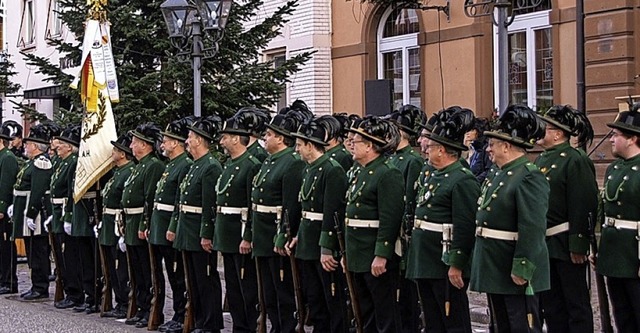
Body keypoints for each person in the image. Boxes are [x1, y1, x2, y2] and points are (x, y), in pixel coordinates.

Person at [470, 105, 549, 332]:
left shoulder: (528, 176)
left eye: (492, 144)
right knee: (502, 325)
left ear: (506, 146)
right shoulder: (500, 174)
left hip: (512, 263)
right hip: (495, 264)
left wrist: (523, 266)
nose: (487, 150)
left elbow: (532, 227)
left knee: (520, 325)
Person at [406, 107, 479, 333]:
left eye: (433, 147)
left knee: (452, 320)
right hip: (425, 257)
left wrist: (457, 263)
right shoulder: (432, 175)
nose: (426, 149)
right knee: (433, 320)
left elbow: (465, 226)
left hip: (443, 260)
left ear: (444, 150)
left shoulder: (461, 179)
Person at [535, 105, 597, 333]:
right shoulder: (542, 160)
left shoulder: (574, 160)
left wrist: (579, 244)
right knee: (552, 307)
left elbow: (583, 202)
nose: (539, 131)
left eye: (545, 127)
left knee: (575, 304)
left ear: (558, 133)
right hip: (546, 245)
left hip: (565, 242)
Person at [252, 107, 310, 332]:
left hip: (277, 233)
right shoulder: (270, 161)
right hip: (262, 233)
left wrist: (282, 237)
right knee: (268, 291)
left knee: (283, 290)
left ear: (280, 138)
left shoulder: (291, 162)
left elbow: (290, 205)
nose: (265, 138)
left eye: (269, 134)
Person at [289, 116, 349, 332]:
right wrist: (298, 236)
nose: (297, 150)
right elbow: (306, 210)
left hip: (322, 246)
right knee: (315, 300)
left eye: (299, 145)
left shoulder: (331, 170)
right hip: (307, 242)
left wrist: (327, 248)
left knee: (332, 300)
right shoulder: (309, 169)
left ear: (310, 145)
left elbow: (332, 212)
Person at [344, 116, 404, 332]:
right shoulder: (361, 172)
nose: (351, 143)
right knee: (365, 313)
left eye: (357, 141)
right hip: (358, 253)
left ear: (370, 146)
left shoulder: (387, 173)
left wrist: (382, 254)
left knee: (384, 314)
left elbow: (390, 218)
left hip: (374, 255)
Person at [172, 116, 224, 332]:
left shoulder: (210, 167)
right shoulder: (195, 166)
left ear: (200, 140)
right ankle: (200, 320)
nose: (187, 141)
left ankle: (211, 323)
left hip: (198, 230)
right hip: (187, 229)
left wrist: (206, 233)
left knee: (206, 280)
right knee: (194, 280)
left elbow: (209, 204)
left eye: (190, 137)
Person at [213, 114, 262, 333]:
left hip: (240, 232)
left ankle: (247, 327)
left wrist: (248, 236)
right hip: (227, 232)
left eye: (225, 137)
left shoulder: (251, 165)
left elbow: (253, 205)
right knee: (233, 287)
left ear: (236, 139)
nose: (221, 141)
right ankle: (238, 326)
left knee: (246, 288)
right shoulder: (231, 164)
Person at [595, 103, 640, 332]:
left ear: (632, 139)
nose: (611, 139)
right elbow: (605, 211)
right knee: (621, 315)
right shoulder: (613, 169)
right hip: (614, 254)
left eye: (616, 135)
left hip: (635, 255)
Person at [147, 118, 193, 331]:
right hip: (161, 224)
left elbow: (178, 201)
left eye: (166, 141)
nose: (162, 145)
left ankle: (181, 313)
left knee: (177, 275)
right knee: (170, 274)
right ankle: (177, 313)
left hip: (170, 227)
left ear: (176, 143)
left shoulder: (184, 165)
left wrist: (172, 227)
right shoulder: (171, 165)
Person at [385, 105, 425, 333]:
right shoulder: (393, 159)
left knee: (407, 296)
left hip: (405, 236)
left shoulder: (412, 161)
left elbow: (409, 198)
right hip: (394, 234)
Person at [122, 122, 165, 327]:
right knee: (137, 270)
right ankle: (140, 307)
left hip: (140, 222)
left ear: (146, 145)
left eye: (135, 142)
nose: (131, 146)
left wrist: (144, 224)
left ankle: (151, 309)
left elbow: (149, 198)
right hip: (131, 222)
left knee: (148, 271)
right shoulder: (139, 166)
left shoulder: (153, 165)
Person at [11, 124, 54, 300]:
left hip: (35, 213)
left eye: (28, 144)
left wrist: (31, 213)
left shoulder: (41, 162)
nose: (25, 146)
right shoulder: (32, 162)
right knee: (32, 250)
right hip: (26, 209)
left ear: (35, 146)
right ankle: (35, 284)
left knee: (38, 251)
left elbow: (38, 190)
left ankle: (40, 286)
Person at [99, 133, 135, 319]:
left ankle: (124, 302)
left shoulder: (128, 171)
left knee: (121, 267)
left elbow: (123, 202)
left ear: (123, 154)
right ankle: (118, 300)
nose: (112, 152)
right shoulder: (117, 172)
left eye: (115, 149)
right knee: (112, 266)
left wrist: (122, 231)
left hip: (117, 223)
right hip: (108, 222)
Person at [49, 125, 84, 309]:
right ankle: (70, 290)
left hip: (65, 211)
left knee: (70, 255)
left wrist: (69, 214)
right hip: (57, 212)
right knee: (62, 255)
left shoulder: (72, 163)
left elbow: (71, 191)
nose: (57, 147)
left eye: (61, 144)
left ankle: (75, 292)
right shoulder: (62, 162)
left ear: (70, 147)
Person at [0, 121, 19, 295]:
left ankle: (9, 280)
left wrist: (2, 206)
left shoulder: (7, 158)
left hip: (3, 210)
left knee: (6, 246)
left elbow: (5, 184)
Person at [464, 118, 492, 183]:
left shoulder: (486, 148)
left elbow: (488, 171)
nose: (467, 133)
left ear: (479, 132)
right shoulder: (473, 147)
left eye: (471, 130)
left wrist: (473, 182)